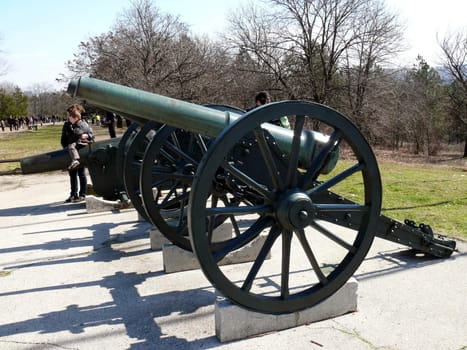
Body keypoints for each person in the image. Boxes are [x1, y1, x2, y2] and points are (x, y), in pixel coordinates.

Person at [61, 107, 88, 203]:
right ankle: (73, 194)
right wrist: (65, 149)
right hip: (70, 151)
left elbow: (89, 135)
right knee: (72, 174)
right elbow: (63, 138)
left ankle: (83, 194)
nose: (68, 117)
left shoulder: (82, 124)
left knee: (81, 174)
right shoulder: (67, 125)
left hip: (80, 151)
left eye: (69, 115)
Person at [65, 104, 93, 170]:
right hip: (86, 140)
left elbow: (76, 135)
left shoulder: (78, 125)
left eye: (70, 117)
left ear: (75, 118)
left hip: (83, 141)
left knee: (71, 146)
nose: (69, 119)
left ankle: (75, 159)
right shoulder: (83, 122)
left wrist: (70, 141)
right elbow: (90, 130)